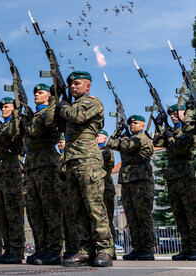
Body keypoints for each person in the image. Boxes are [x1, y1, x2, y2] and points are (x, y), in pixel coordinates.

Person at [58, 71, 114, 267]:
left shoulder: (92, 101)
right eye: (71, 84)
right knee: (78, 209)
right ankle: (85, 249)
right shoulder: (69, 104)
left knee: (94, 206)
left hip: (89, 159)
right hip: (72, 160)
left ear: (88, 86)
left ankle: (105, 249)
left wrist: (62, 105)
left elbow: (77, 116)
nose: (73, 87)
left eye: (77, 84)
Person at [23, 84, 64, 265]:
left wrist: (55, 98)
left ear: (49, 96)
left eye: (40, 92)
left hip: (46, 163)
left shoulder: (51, 112)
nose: (36, 95)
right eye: (35, 92)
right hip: (32, 165)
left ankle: (54, 251)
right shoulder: (34, 115)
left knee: (51, 209)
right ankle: (41, 249)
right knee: (35, 211)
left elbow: (38, 130)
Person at [107, 115, 155, 261]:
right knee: (132, 218)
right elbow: (111, 143)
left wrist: (122, 137)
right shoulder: (130, 138)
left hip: (141, 182)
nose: (132, 125)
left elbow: (124, 146)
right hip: (127, 182)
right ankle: (137, 248)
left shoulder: (142, 138)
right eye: (130, 124)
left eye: (135, 123)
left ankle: (147, 249)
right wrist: (117, 131)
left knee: (143, 217)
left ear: (142, 125)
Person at [153, 104, 196, 261]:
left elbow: (179, 148)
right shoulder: (172, 130)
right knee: (179, 215)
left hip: (184, 174)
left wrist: (169, 135)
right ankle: (186, 248)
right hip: (172, 176)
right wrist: (159, 127)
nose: (172, 116)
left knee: (191, 214)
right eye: (170, 114)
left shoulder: (187, 131)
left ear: (185, 114)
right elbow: (157, 142)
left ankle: (194, 248)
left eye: (176, 113)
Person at [0, 97, 24, 264]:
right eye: (1, 107)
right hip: (0, 171)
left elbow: (6, 137)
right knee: (1, 214)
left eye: (7, 106)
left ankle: (17, 251)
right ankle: (8, 248)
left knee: (13, 213)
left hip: (11, 169)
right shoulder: (1, 126)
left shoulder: (16, 123)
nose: (3, 109)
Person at [96, 129, 116, 259]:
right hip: (97, 188)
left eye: (98, 136)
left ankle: (110, 249)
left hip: (105, 188)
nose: (95, 138)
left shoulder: (106, 150)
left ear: (104, 138)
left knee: (107, 219)